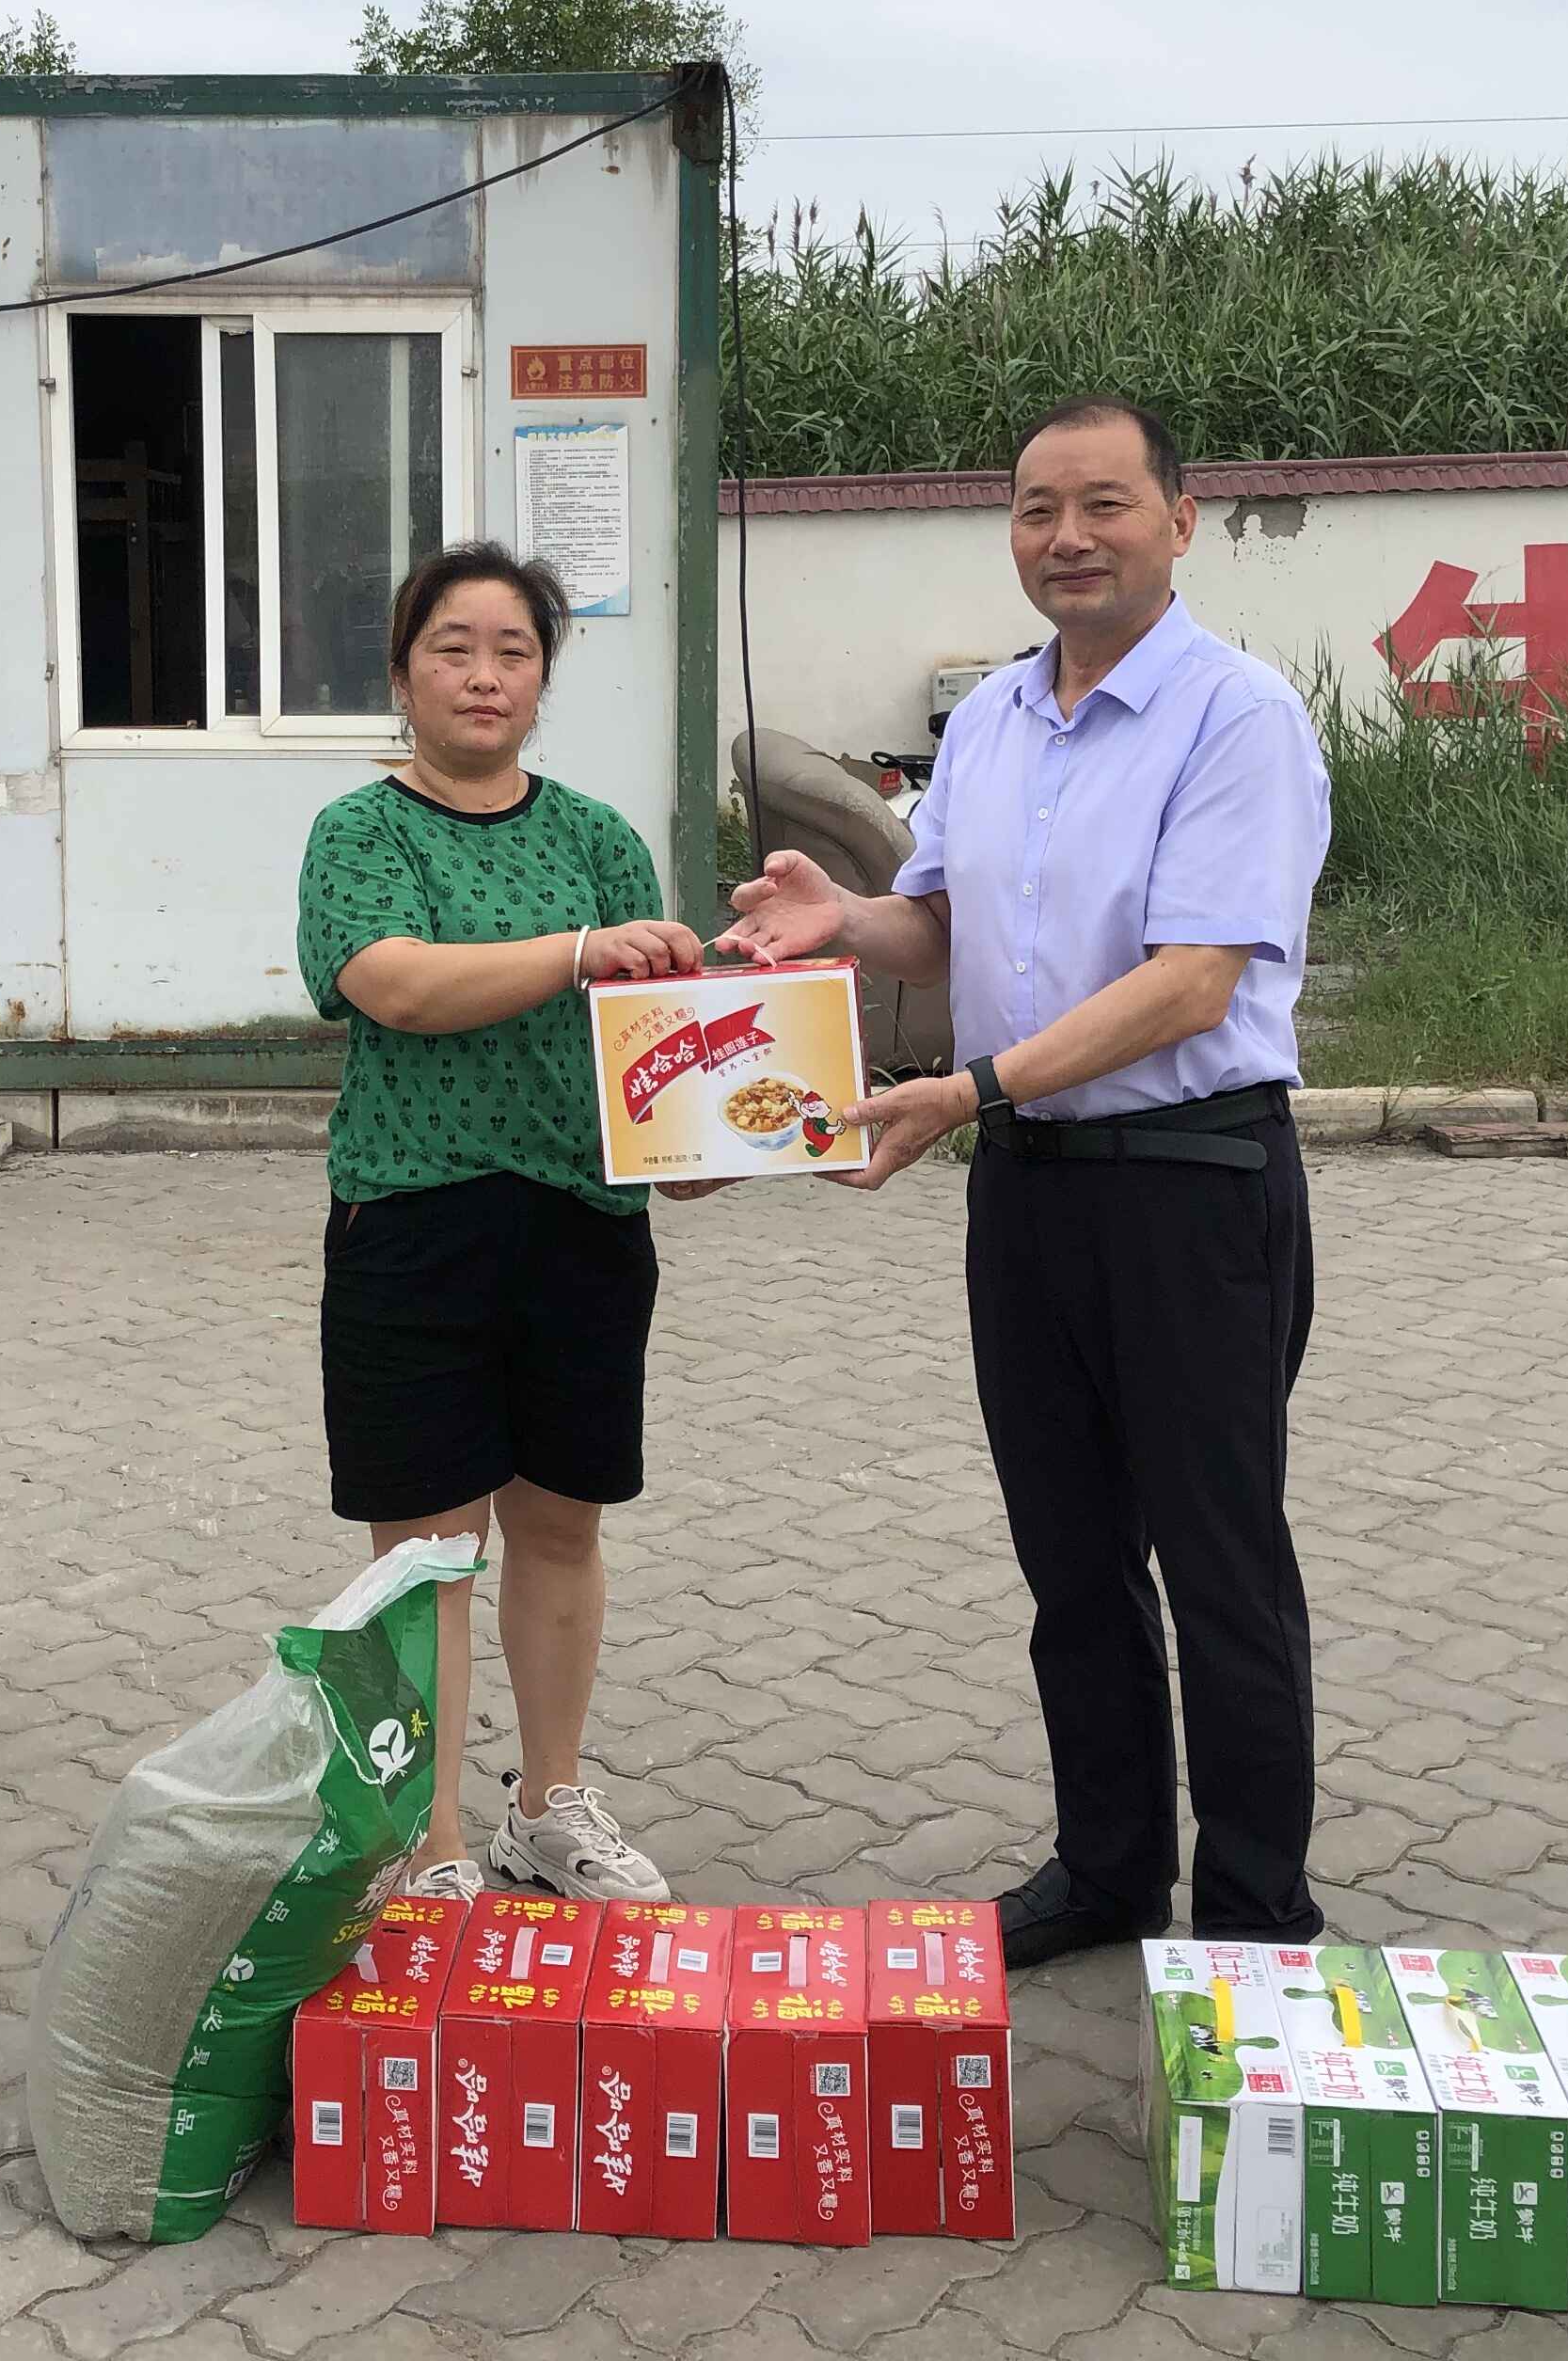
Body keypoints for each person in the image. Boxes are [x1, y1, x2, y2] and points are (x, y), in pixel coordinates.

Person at [721, 397, 1331, 1961]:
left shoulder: (1237, 717)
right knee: (1070, 1557)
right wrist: (840, 917)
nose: (1068, 538)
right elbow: (939, 926)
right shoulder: (995, 717)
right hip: (1029, 1193)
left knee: (1221, 1561)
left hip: (1194, 1183)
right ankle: (1109, 1870)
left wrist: (973, 1087)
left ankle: (1257, 1914)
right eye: (1037, 509)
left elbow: (1194, 981)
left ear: (1180, 520)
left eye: (1104, 505)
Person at [294, 542, 719, 1901]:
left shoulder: (599, 839)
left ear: (542, 680)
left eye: (514, 652)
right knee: (428, 1557)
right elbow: (397, 985)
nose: (484, 676)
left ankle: (548, 1805)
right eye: (453, 649)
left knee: (560, 1528)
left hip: (582, 1225)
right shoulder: (361, 833)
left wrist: (708, 1136)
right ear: (403, 674)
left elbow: (651, 1041)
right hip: (413, 1225)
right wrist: (580, 953)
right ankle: (425, 1840)